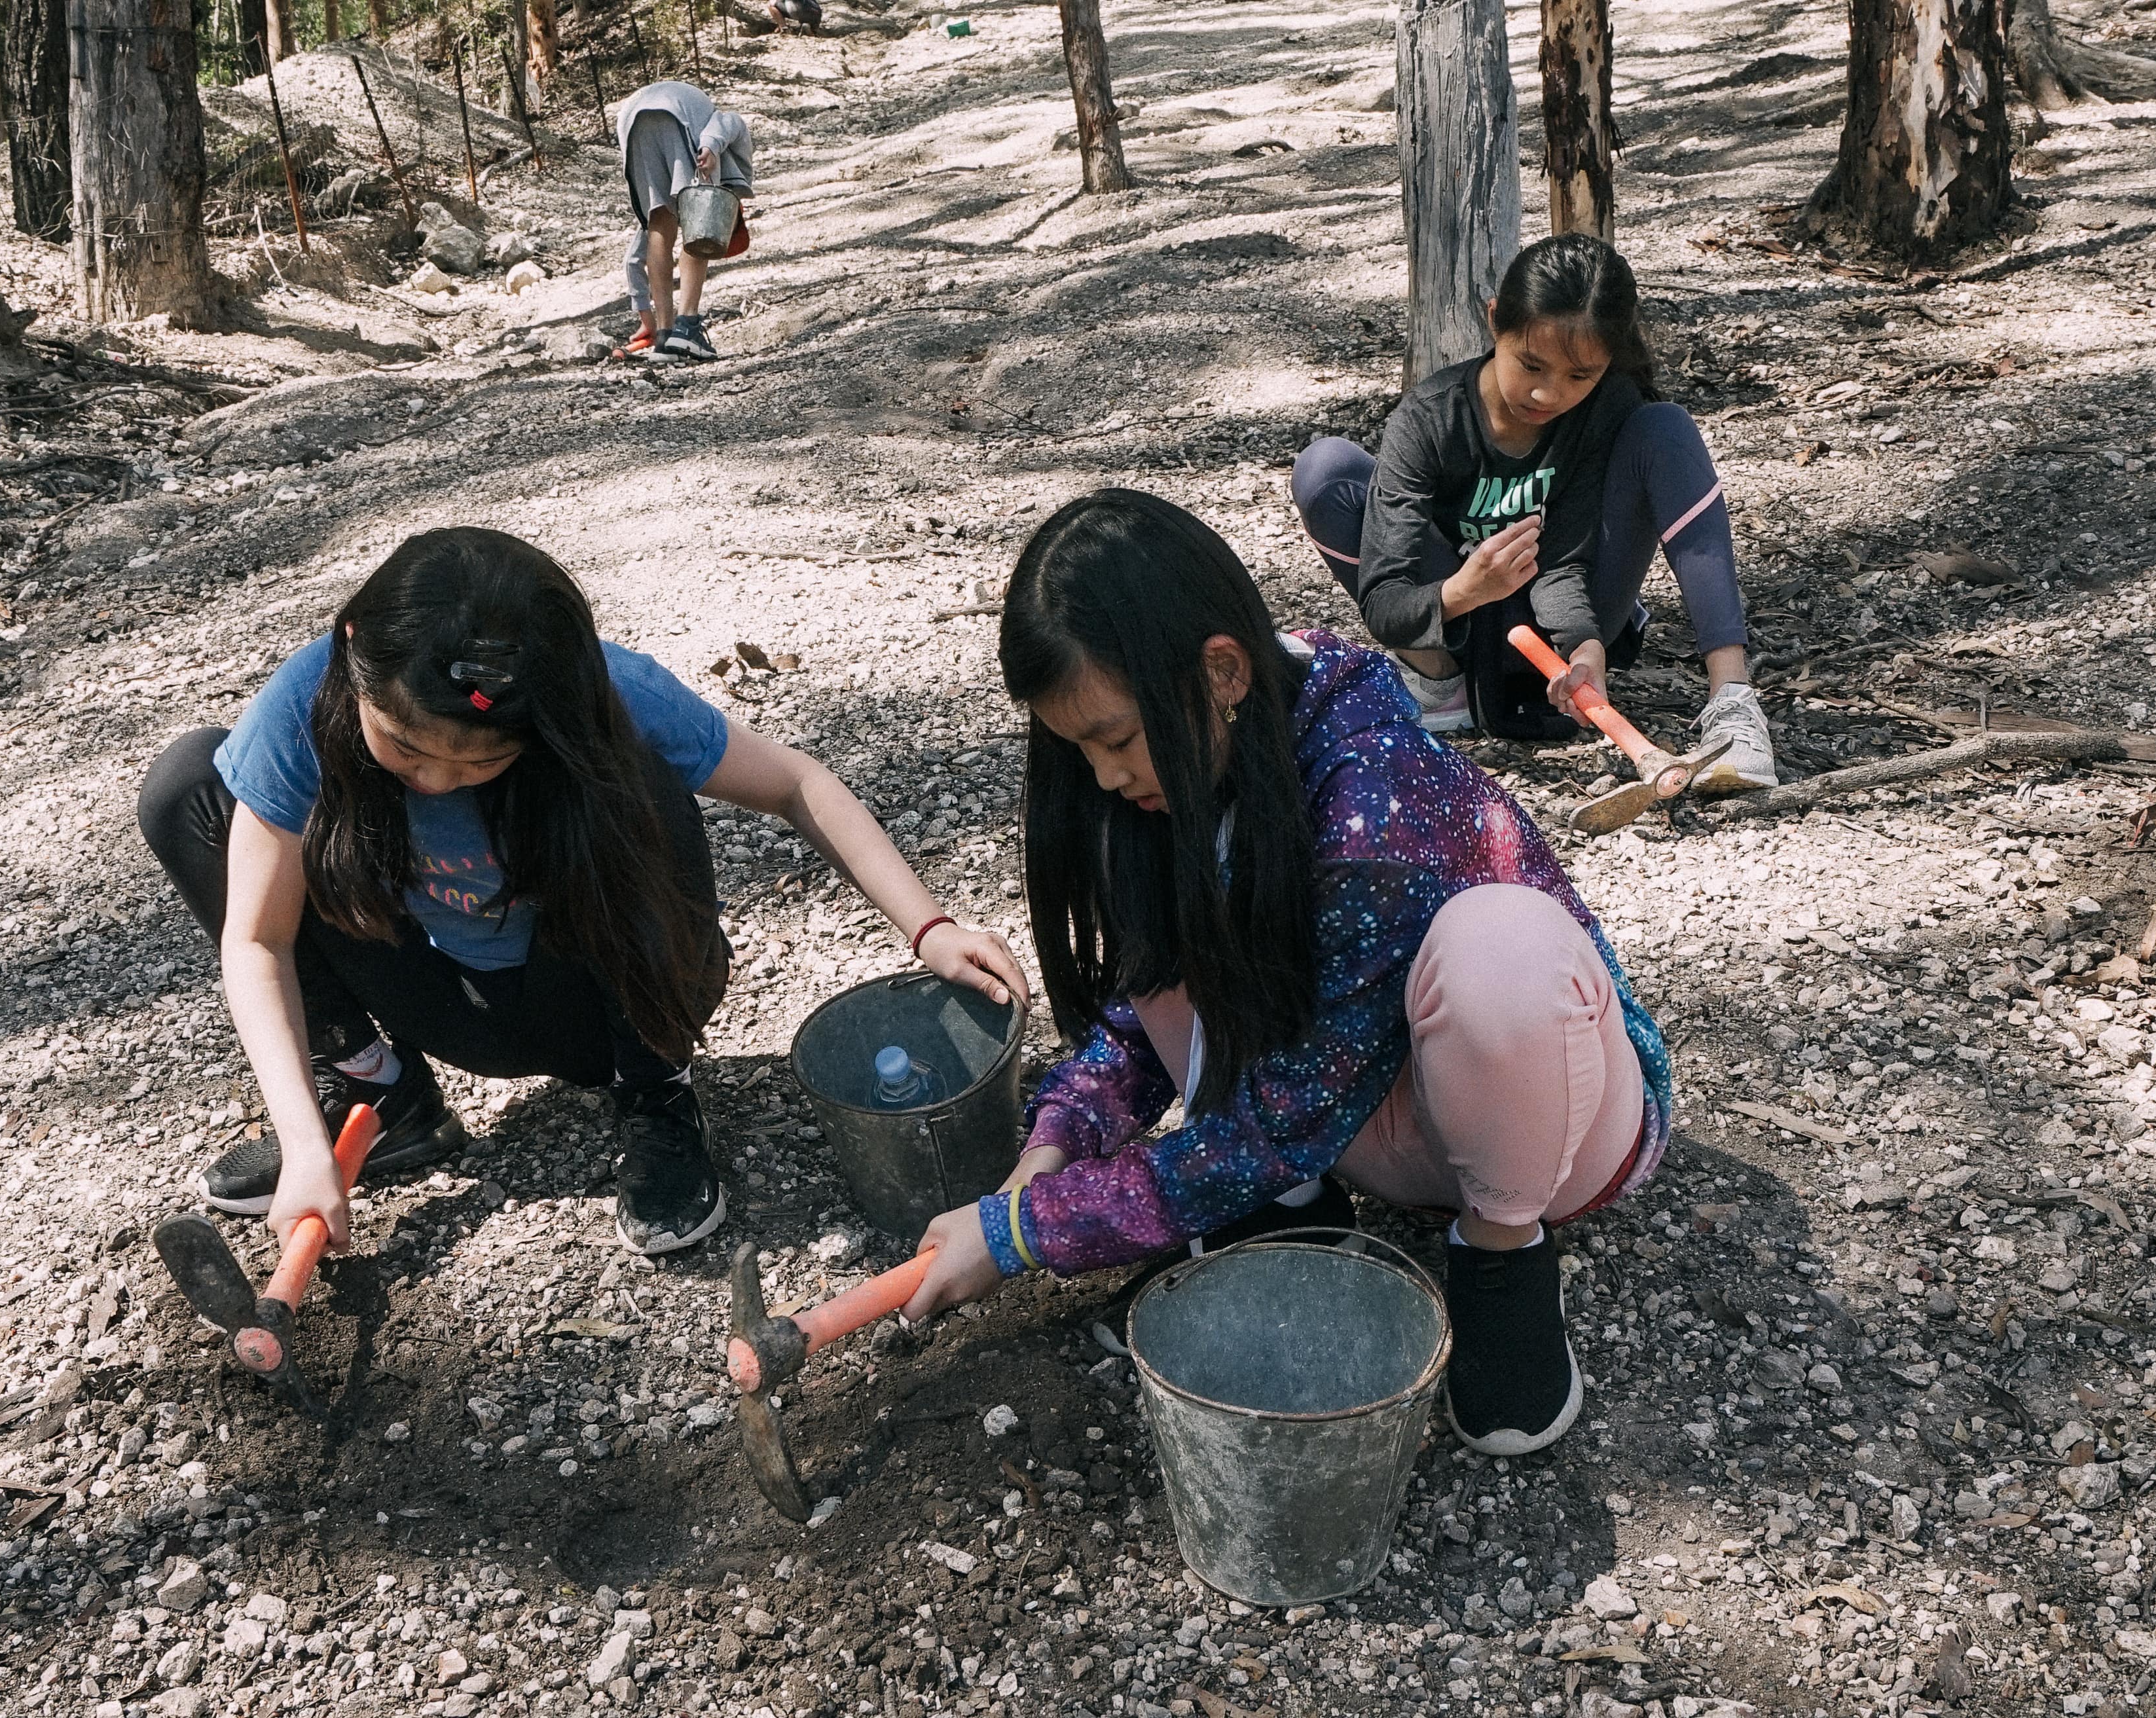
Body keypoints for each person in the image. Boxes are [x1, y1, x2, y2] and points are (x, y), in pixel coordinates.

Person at [900, 491, 1673, 1456]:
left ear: (1221, 669)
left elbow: (1282, 1121)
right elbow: (1139, 1013)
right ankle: (1289, 1218)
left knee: (1500, 949)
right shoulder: (1188, 762)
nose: (1101, 776)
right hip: (1347, 1109)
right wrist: (1051, 1147)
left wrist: (1030, 1234)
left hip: (1550, 1126)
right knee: (1159, 878)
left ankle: (1503, 1253)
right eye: (1078, 748)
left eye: (1112, 740)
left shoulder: (1372, 804)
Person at [137, 528, 1024, 1258]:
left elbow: (796, 783)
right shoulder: (310, 700)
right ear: (353, 651)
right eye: (407, 749)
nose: (439, 782)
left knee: (640, 771)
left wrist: (930, 928)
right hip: (448, 995)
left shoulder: (602, 692)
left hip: (596, 1001)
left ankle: (658, 1097)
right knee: (191, 786)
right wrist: (303, 1146)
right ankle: (380, 1098)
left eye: (481, 760)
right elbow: (257, 941)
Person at [1290, 234, 1774, 788]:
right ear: (1495, 320)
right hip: (1456, 630)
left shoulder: (1604, 408)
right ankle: (1441, 688)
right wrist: (1463, 591)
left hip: (1571, 620)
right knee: (1324, 468)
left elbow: (1566, 559)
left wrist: (1586, 647)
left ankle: (1733, 703)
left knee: (1665, 427)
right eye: (1531, 364)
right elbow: (1384, 604)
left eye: (1579, 376)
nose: (1548, 395)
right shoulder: (1429, 418)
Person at [615, 81, 752, 365]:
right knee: (700, 225)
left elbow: (634, 257)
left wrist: (646, 315)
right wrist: (712, 147)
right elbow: (730, 122)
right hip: (675, 116)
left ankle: (665, 336)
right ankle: (687, 326)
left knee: (659, 224)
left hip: (632, 123)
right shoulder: (720, 148)